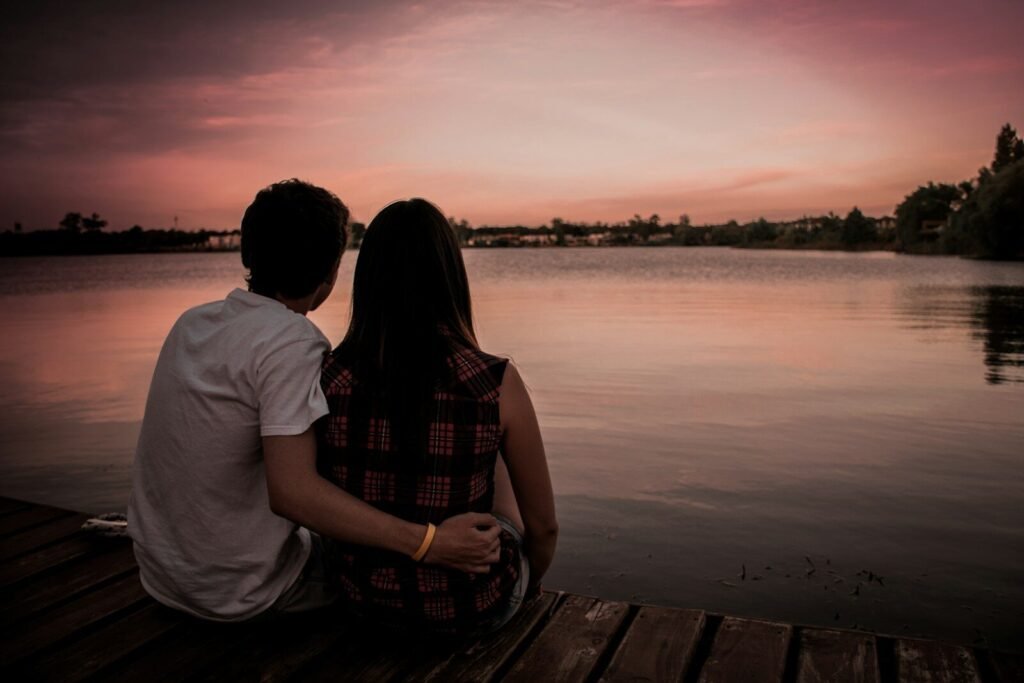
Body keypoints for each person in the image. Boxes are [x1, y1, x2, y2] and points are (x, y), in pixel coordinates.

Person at [127, 180, 502, 622]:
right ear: (330, 273)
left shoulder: (191, 324)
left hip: (162, 575)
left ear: (248, 255)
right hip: (242, 591)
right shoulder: (292, 342)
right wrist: (428, 542)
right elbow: (293, 495)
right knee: (378, 568)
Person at [318, 198, 558, 636]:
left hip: (361, 603)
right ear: (450, 276)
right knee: (499, 453)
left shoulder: (327, 376)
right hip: (468, 609)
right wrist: (528, 585)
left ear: (368, 279)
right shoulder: (494, 380)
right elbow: (544, 529)